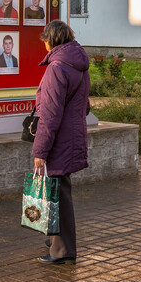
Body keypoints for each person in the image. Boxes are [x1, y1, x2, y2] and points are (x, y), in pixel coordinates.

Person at [32, 20, 90, 264]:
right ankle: (56, 239)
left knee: (58, 194)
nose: (44, 44)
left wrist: (40, 150)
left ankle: (62, 250)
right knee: (58, 190)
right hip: (72, 135)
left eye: (45, 39)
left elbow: (50, 114)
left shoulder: (57, 67)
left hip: (59, 138)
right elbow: (84, 106)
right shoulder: (78, 64)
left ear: (52, 40)